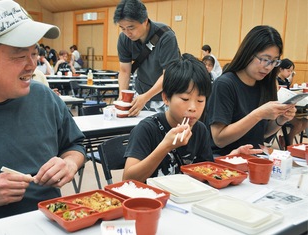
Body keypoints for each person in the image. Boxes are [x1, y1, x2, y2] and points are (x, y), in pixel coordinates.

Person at [0, 0, 86, 222]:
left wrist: (68, 164)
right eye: (19, 55)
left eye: (34, 53)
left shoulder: (44, 97)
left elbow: (74, 146)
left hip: (51, 223)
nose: (32, 65)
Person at [122, 53, 262, 182]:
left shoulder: (200, 129)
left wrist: (230, 158)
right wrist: (165, 146)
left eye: (200, 100)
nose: (193, 107)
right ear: (166, 97)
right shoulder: (147, 129)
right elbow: (127, 179)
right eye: (185, 98)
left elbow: (206, 170)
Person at [206, 25, 297, 156]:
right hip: (226, 160)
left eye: (274, 62)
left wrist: (281, 119)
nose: (268, 67)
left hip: (254, 158)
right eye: (265, 59)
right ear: (248, 53)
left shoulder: (266, 83)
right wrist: (258, 114)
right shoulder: (225, 84)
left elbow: (263, 133)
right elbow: (219, 139)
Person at [114, 0, 180, 116]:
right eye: (122, 28)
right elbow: (124, 70)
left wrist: (146, 97)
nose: (127, 33)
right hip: (141, 93)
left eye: (131, 27)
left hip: (165, 96)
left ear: (145, 21)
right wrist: (122, 96)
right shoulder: (124, 39)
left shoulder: (166, 36)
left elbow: (168, 74)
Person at [277, 58, 307, 146]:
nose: (290, 73)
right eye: (288, 71)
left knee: (305, 122)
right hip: (281, 110)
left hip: (288, 108)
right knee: (298, 124)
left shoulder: (286, 81)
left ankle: (285, 138)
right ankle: (289, 144)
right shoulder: (276, 80)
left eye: (291, 71)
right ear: (281, 69)